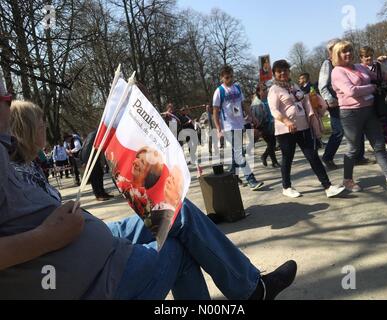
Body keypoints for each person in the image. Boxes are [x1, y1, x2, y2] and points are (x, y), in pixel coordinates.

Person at [0, 76, 297, 300]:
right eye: (5, 98)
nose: (6, 99)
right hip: (96, 278)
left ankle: (250, 288)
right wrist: (47, 236)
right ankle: (250, 291)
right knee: (177, 246)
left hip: (99, 242)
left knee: (174, 211)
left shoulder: (21, 163)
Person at [268, 59, 346, 199]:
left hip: (303, 127)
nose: (283, 73)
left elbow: (303, 100)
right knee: (287, 158)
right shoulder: (274, 90)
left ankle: (328, 186)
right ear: (274, 74)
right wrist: (286, 121)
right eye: (279, 71)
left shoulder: (294, 85)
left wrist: (311, 99)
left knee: (313, 156)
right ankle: (286, 187)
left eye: (285, 70)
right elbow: (274, 110)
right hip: (286, 130)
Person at [331, 41, 387, 191]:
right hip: (351, 113)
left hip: (369, 110)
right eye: (344, 51)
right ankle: (347, 180)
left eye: (349, 50)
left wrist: (383, 66)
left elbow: (382, 77)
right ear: (337, 55)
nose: (348, 53)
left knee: (379, 145)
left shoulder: (360, 67)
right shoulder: (337, 71)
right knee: (353, 149)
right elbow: (351, 91)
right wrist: (372, 88)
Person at [318, 39, 371, 170]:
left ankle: (359, 156)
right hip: (337, 102)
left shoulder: (348, 63)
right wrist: (330, 100)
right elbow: (322, 85)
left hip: (352, 102)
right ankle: (327, 157)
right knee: (338, 131)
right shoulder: (328, 63)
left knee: (358, 128)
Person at [213, 65, 264, 191]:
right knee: (239, 153)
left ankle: (232, 177)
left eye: (231, 76)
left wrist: (252, 116)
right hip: (228, 126)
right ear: (222, 78)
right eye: (227, 77)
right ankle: (251, 179)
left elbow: (243, 104)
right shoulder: (219, 91)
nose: (230, 79)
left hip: (239, 124)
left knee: (235, 152)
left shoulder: (237, 88)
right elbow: (215, 111)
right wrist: (218, 128)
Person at [9, 100, 62, 203]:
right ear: (28, 132)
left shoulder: (30, 164)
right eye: (42, 126)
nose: (45, 130)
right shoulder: (20, 175)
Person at [359, 46, 387, 159]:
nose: (369, 58)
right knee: (373, 126)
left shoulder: (378, 65)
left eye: (370, 55)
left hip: (381, 99)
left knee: (386, 123)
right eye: (366, 56)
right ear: (361, 58)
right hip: (367, 100)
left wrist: (386, 69)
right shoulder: (359, 69)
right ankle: (377, 149)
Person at [251, 82, 280, 168]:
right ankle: (268, 158)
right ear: (258, 92)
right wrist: (259, 129)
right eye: (263, 90)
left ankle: (269, 159)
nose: (266, 91)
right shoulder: (256, 103)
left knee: (272, 143)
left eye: (266, 89)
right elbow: (256, 117)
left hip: (271, 124)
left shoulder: (268, 99)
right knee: (272, 143)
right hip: (263, 126)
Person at [80, 130, 114, 201]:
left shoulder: (96, 133)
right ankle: (98, 195)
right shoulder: (98, 134)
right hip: (89, 157)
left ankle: (102, 192)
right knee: (94, 177)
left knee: (99, 174)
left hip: (93, 156)